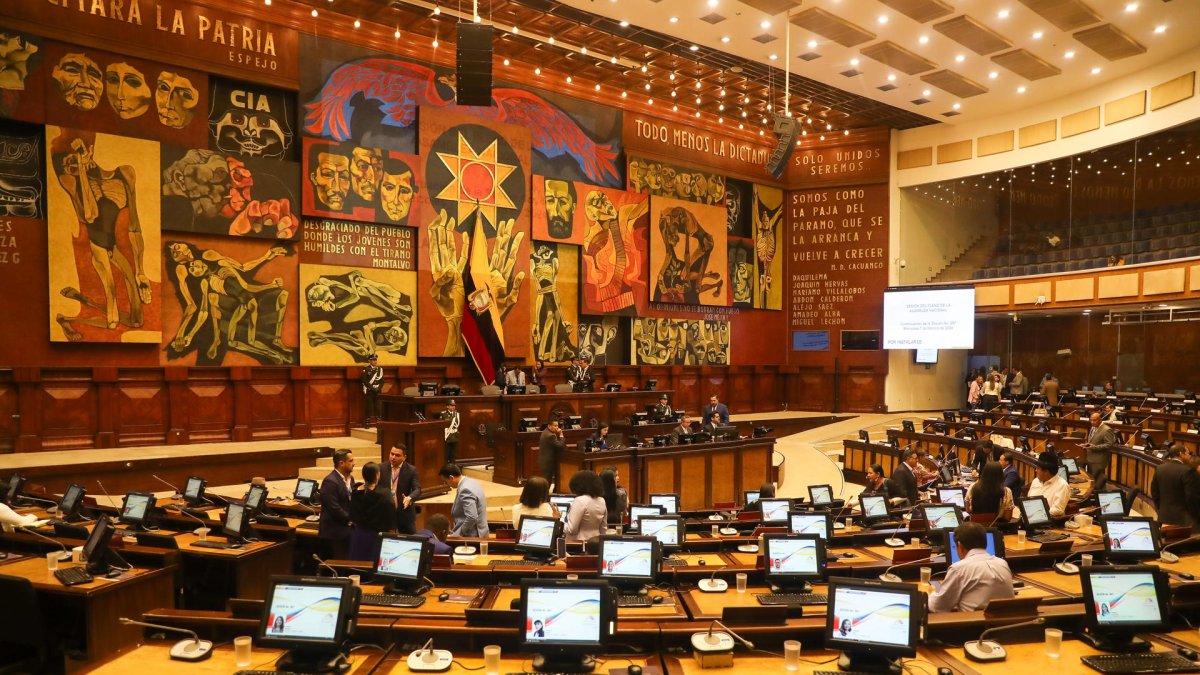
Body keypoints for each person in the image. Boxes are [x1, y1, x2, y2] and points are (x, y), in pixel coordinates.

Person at [927, 522, 1015, 612]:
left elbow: (938, 607)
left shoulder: (959, 569)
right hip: (1007, 620)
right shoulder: (1003, 564)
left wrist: (933, 592)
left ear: (959, 545)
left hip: (975, 620)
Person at [349, 462, 394, 561]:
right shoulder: (384, 494)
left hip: (359, 534)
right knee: (373, 563)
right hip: (376, 536)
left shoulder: (356, 491)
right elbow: (390, 517)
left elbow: (352, 514)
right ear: (377, 475)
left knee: (357, 563)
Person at [1152, 443, 1199, 531]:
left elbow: (1155, 493)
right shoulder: (1188, 471)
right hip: (1184, 522)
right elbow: (1192, 497)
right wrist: (1196, 516)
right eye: (1188, 453)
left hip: (1164, 518)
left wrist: (1161, 509)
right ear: (1181, 454)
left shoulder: (1160, 468)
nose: (1189, 456)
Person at [319, 448, 356, 558]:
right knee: (338, 563)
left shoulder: (351, 479)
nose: (354, 463)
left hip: (346, 531)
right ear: (341, 463)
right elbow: (334, 508)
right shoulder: (330, 481)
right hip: (334, 533)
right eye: (351, 461)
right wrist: (351, 520)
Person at [377, 443, 421, 534]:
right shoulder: (380, 468)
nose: (393, 457)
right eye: (392, 454)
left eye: (397, 455)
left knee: (410, 539)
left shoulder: (411, 470)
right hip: (386, 512)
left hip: (404, 512)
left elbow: (417, 489)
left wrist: (409, 497)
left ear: (404, 457)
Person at [440, 463, 489, 538]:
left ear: (451, 478)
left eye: (445, 481)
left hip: (471, 537)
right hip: (480, 531)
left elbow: (472, 517)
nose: (446, 484)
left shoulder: (465, 489)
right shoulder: (470, 481)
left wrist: (459, 533)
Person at [563, 470, 607, 542]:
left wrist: (559, 523)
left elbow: (572, 530)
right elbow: (603, 528)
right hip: (596, 543)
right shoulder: (602, 500)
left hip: (578, 543)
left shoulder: (579, 500)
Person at [1022, 454, 1070, 518]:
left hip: (1049, 521)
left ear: (1046, 472)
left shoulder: (1062, 485)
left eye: (1038, 468)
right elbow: (1028, 500)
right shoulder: (1036, 481)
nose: (1035, 470)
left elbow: (1058, 510)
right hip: (1030, 518)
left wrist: (1036, 512)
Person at [1083, 411, 1117, 490]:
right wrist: (1086, 445)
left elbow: (1109, 444)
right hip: (1090, 458)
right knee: (1092, 481)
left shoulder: (1106, 429)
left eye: (1094, 420)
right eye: (1091, 420)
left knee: (1099, 482)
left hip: (1099, 459)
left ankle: (1101, 495)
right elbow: (1092, 441)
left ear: (1100, 420)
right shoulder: (1093, 427)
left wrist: (1094, 447)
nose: (1092, 422)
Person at [539, 418, 566, 490]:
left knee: (547, 480)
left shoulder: (545, 431)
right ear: (549, 426)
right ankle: (545, 495)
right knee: (547, 481)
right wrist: (561, 435)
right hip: (548, 462)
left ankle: (552, 491)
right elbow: (559, 445)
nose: (557, 427)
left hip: (545, 460)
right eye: (555, 425)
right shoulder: (550, 435)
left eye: (557, 425)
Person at [360, 354, 383, 427]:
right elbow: (364, 381)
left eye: (375, 360)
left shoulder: (380, 369)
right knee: (368, 407)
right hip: (369, 391)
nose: (375, 361)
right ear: (369, 361)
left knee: (377, 407)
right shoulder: (366, 369)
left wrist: (378, 388)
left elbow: (382, 381)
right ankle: (367, 422)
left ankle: (378, 422)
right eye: (373, 360)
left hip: (377, 391)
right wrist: (373, 388)